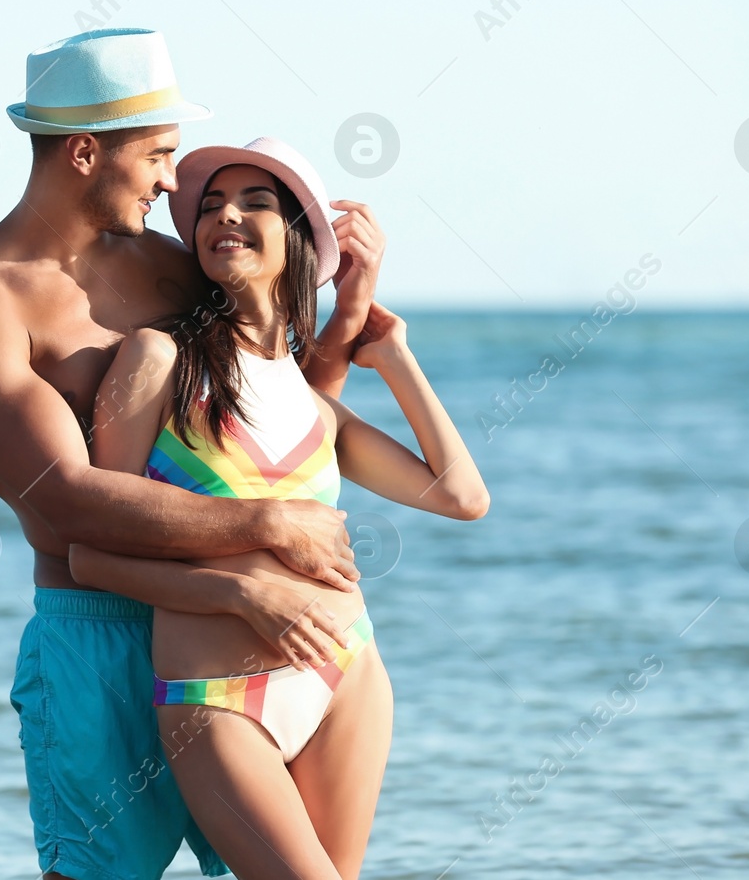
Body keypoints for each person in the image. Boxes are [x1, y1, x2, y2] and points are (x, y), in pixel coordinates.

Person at [0, 29, 388, 880]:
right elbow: (66, 500)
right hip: (102, 644)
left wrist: (349, 314)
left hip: (234, 634)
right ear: (88, 151)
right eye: (161, 153)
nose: (177, 180)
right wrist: (267, 526)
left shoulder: (170, 271)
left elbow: (280, 411)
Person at [68, 138, 489, 880]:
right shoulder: (158, 360)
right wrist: (242, 592)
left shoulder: (314, 404)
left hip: (347, 675)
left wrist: (392, 354)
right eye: (210, 206)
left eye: (255, 202)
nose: (225, 214)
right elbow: (92, 553)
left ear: (298, 236)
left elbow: (462, 496)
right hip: (217, 701)